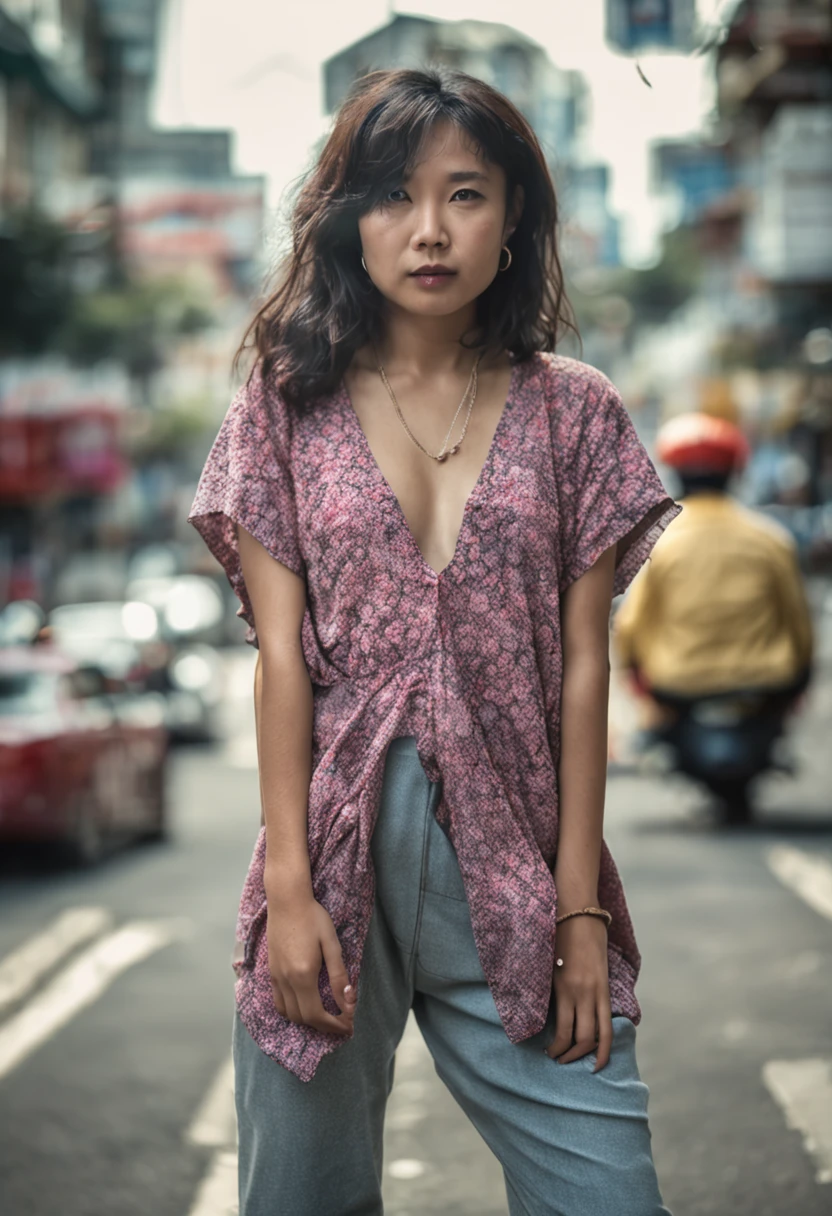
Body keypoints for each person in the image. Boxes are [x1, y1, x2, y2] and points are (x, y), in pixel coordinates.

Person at [188, 66, 679, 1216]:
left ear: (513, 219)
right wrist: (294, 893)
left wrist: (578, 904)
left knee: (609, 1193)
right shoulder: (281, 402)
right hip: (333, 859)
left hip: (518, 863)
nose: (427, 231)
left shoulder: (575, 410)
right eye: (394, 195)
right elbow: (279, 658)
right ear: (345, 215)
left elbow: (581, 668)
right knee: (301, 1199)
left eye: (465, 195)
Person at [614, 411, 814, 719]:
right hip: (764, 685)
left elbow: (629, 627)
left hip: (677, 685)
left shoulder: (659, 544)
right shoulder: (772, 539)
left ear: (675, 474)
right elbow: (799, 625)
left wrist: (633, 677)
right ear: (734, 473)